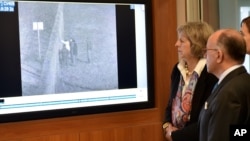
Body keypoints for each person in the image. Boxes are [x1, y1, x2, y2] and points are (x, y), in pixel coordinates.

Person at [163, 21, 218, 141]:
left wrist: (176, 136)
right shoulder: (177, 69)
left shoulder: (210, 74)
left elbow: (205, 120)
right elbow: (170, 106)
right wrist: (167, 127)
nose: (176, 44)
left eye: (182, 41)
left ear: (196, 44)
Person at [199, 28, 250, 141]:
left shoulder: (230, 93)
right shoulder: (242, 81)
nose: (204, 56)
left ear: (219, 55)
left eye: (206, 50)